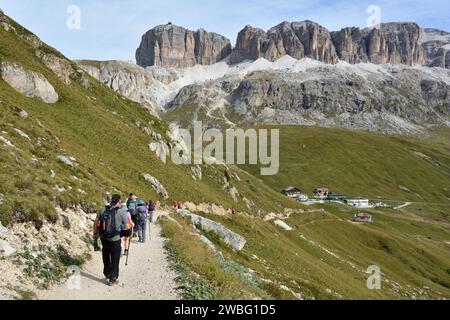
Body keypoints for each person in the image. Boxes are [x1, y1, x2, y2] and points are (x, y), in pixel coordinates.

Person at [93, 194, 130, 286]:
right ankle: (112, 278)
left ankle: (107, 273)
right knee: (115, 258)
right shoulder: (121, 212)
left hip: (104, 238)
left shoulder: (102, 209)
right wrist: (126, 232)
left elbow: (96, 222)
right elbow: (127, 226)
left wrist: (95, 234)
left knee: (105, 255)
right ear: (119, 201)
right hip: (115, 239)